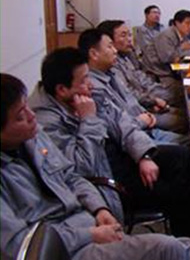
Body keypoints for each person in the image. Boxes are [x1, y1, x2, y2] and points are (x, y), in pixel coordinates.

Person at [1, 73, 190, 260]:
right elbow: (20, 246)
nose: (31, 115)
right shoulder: (47, 122)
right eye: (20, 116)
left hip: (88, 224)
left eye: (27, 107)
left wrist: (100, 209)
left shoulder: (32, 136)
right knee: (176, 250)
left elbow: (71, 177)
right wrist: (89, 234)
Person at [28, 48, 124, 223]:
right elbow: (82, 168)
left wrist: (143, 155)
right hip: (102, 180)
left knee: (174, 158)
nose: (91, 84)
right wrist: (89, 119)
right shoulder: (45, 121)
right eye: (84, 80)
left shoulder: (80, 99)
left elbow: (119, 120)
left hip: (114, 157)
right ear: (62, 89)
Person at [79, 28, 190, 147]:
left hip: (145, 122)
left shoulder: (111, 72)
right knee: (186, 129)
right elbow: (118, 129)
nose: (115, 51)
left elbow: (132, 98)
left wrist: (147, 110)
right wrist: (145, 116)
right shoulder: (95, 87)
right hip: (137, 136)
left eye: (129, 35)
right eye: (110, 46)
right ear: (94, 54)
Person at [97, 20, 188, 133]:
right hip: (141, 112)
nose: (129, 39)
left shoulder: (126, 57)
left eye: (130, 35)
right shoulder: (111, 67)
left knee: (186, 111)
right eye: (123, 35)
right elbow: (129, 94)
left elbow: (141, 79)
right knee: (184, 119)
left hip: (147, 101)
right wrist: (152, 101)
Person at [141, 9, 190, 86]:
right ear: (177, 23)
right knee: (184, 86)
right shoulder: (166, 35)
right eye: (187, 23)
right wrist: (181, 49)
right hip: (158, 72)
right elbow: (166, 58)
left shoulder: (183, 35)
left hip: (172, 69)